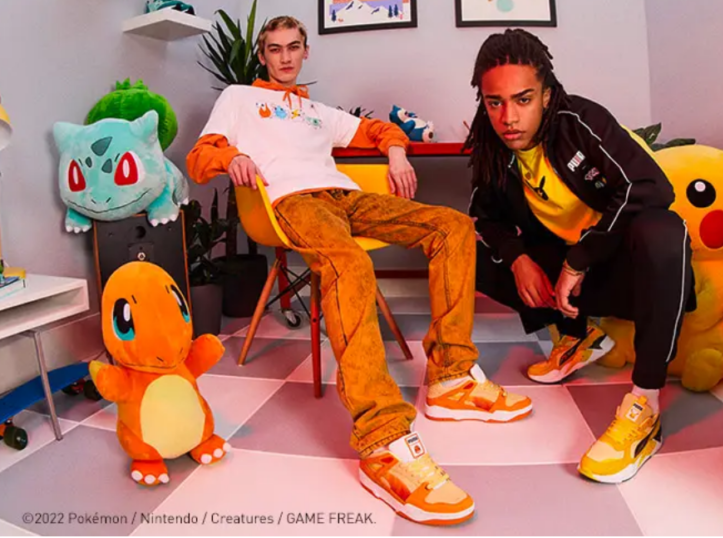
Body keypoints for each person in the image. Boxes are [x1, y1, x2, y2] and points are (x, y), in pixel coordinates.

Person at [186, 15, 531, 526]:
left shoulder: (318, 113)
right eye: (274, 48)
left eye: (293, 47)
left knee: (453, 226)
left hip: (346, 197)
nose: (284, 57)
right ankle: (382, 441)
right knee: (348, 262)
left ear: (305, 52)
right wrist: (231, 157)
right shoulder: (240, 98)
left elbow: (379, 129)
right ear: (262, 55)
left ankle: (451, 376)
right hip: (291, 203)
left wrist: (396, 153)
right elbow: (200, 157)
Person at [464, 29, 696, 483]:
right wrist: (517, 258)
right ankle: (577, 337)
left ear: (547, 96)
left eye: (523, 99)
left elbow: (651, 187)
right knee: (467, 250)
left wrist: (581, 258)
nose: (508, 118)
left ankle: (645, 405)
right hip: (565, 281)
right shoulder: (490, 142)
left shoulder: (581, 120)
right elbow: (484, 217)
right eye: (495, 103)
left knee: (664, 230)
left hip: (618, 270)